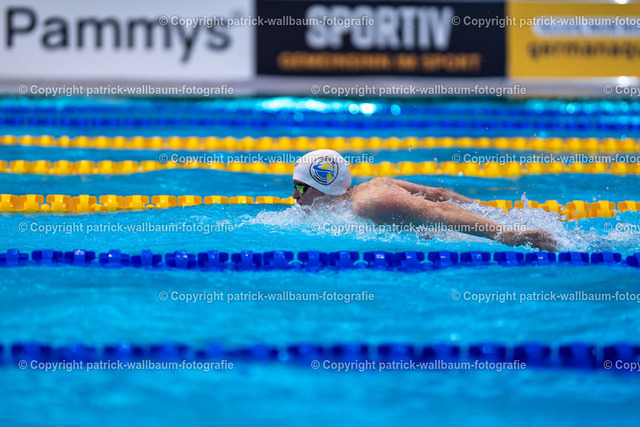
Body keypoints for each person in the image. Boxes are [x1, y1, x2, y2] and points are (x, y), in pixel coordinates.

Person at [292, 149, 557, 251]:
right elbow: (441, 193)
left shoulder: (370, 202)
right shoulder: (374, 184)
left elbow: (439, 210)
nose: (294, 196)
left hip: (465, 241)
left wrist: (507, 234)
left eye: (301, 188)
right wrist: (501, 216)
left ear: (325, 187)